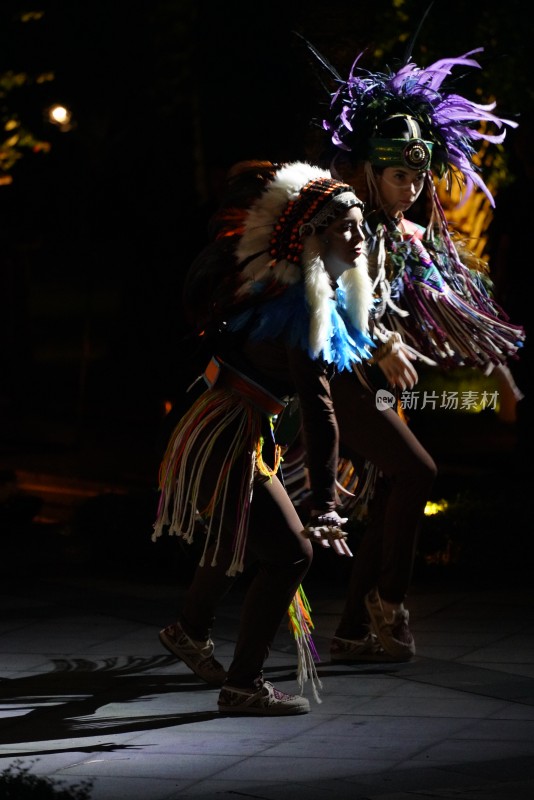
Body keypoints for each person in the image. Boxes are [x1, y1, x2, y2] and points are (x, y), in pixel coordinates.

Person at [283, 43, 526, 664]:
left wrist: (501, 377)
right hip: (334, 377)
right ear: (368, 169)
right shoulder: (342, 213)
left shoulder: (401, 229)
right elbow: (327, 291)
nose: (414, 189)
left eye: (420, 177)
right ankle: (388, 608)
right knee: (417, 472)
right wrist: (386, 340)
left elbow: (454, 304)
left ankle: (354, 630)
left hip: (370, 380)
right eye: (400, 176)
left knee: (399, 484)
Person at [152, 161, 375, 715]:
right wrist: (324, 504)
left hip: (228, 428)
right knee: (292, 554)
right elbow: (321, 411)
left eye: (361, 223)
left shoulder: (291, 286)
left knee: (249, 537)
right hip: (228, 433)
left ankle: (189, 630)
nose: (359, 235)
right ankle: (243, 684)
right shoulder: (305, 306)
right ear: (309, 235)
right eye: (345, 225)